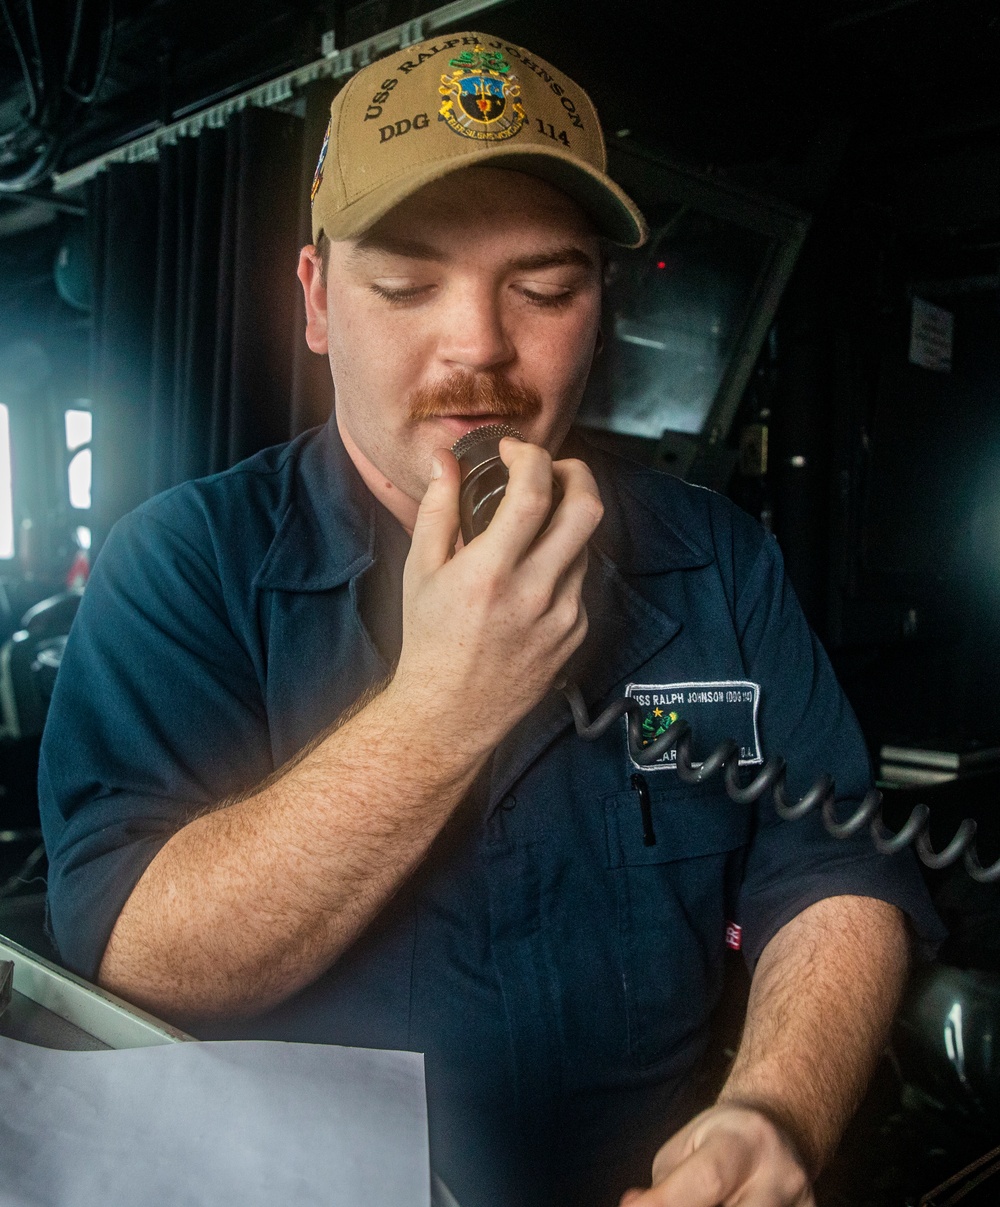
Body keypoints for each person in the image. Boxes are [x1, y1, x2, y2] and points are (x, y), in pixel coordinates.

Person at [39, 31, 942, 1207]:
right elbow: (131, 949)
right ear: (316, 303)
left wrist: (771, 1107)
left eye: (546, 287)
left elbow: (835, 866)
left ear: (601, 307)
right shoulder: (185, 563)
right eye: (406, 283)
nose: (477, 345)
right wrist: (440, 711)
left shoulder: (714, 557)